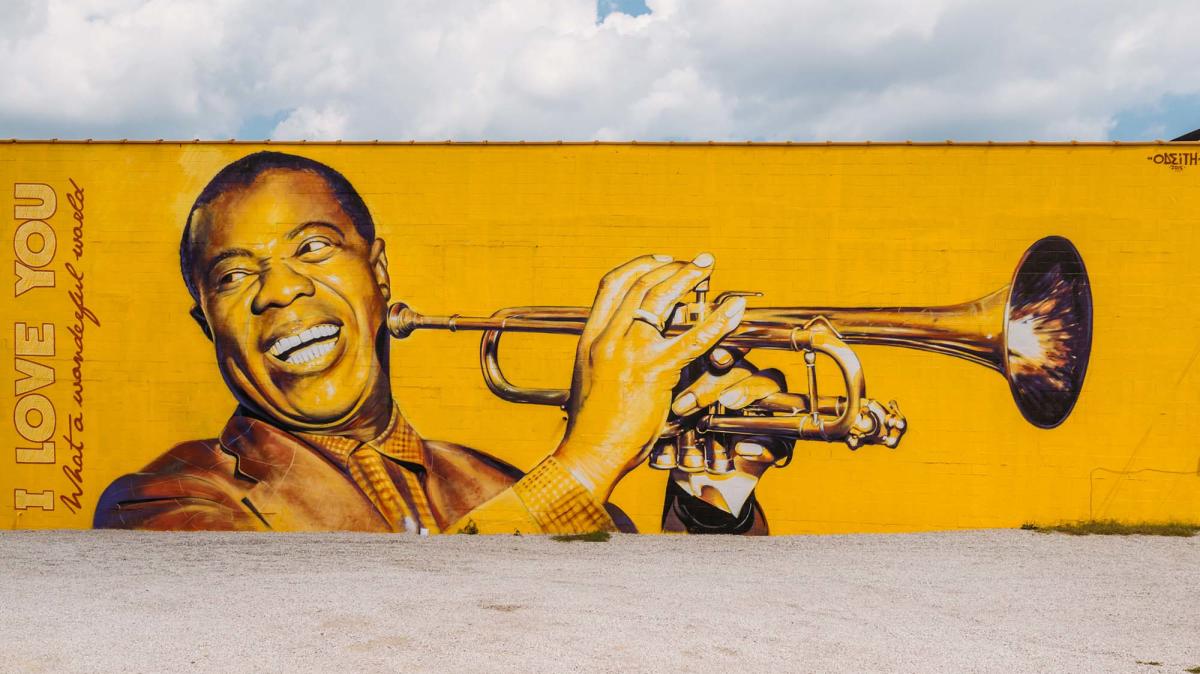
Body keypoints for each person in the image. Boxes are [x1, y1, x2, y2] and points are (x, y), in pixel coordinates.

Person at [94, 152, 788, 534]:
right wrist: (593, 453)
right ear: (207, 324)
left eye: (314, 247)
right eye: (234, 274)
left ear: (380, 274)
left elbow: (673, 637)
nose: (279, 292)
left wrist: (711, 500)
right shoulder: (163, 504)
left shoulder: (510, 487)